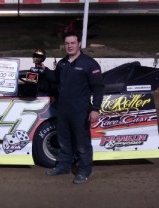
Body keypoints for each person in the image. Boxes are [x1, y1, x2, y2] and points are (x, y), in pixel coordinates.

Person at [44, 31, 105, 184]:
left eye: (72, 43)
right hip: (63, 109)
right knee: (64, 140)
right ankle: (64, 166)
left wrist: (95, 108)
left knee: (82, 143)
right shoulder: (62, 63)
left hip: (81, 110)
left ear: (79, 44)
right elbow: (55, 79)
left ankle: (84, 171)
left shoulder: (89, 64)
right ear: (64, 45)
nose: (70, 46)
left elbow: (98, 87)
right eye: (67, 43)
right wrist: (42, 70)